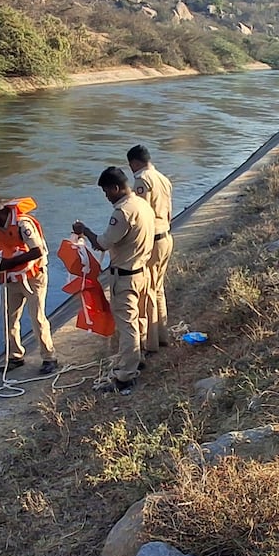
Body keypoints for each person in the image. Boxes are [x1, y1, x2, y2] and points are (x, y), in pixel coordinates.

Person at [73, 167, 155, 395]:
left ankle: (126, 376)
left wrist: (84, 230)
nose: (106, 196)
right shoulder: (142, 204)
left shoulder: (123, 212)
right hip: (141, 271)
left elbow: (102, 243)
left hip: (125, 277)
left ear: (115, 188)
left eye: (106, 191)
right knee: (138, 319)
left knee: (127, 325)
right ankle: (135, 360)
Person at [0, 196, 59, 375]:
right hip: (12, 279)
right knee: (10, 319)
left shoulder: (23, 225)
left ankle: (49, 357)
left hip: (33, 278)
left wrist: (10, 263)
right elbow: (1, 254)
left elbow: (38, 251)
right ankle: (15, 356)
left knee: (37, 318)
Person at [127, 144, 174, 353]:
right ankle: (162, 335)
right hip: (166, 236)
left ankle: (151, 343)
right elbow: (170, 212)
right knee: (159, 288)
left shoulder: (142, 180)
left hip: (152, 240)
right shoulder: (163, 179)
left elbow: (141, 215)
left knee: (148, 291)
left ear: (134, 162)